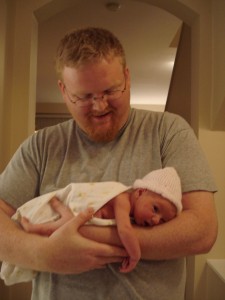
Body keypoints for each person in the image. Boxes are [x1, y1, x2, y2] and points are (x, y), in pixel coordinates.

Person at [0, 27, 217, 299]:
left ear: (127, 77)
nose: (100, 106)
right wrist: (47, 253)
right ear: (64, 91)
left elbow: (201, 231)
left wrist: (89, 237)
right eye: (84, 96)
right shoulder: (41, 146)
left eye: (110, 90)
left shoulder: (168, 131)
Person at [0, 167, 182, 285]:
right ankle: (34, 229)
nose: (156, 220)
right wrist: (134, 255)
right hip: (77, 214)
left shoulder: (132, 209)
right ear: (140, 192)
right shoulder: (122, 199)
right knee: (63, 225)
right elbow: (124, 230)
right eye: (156, 209)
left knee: (65, 224)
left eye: (163, 220)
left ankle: (36, 229)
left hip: (79, 220)